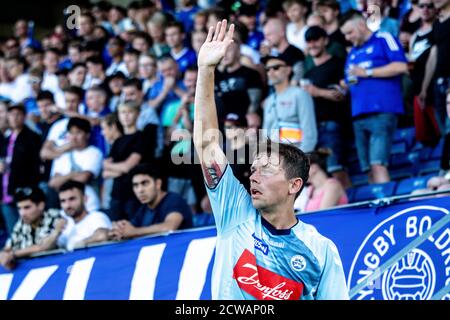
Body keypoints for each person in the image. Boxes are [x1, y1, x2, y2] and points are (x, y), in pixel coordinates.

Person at [193, 19, 348, 300]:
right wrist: (205, 70)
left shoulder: (320, 249)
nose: (253, 176)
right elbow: (206, 144)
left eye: (265, 170)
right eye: (253, 169)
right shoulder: (235, 213)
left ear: (294, 185)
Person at [340, 10, 408, 184]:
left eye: (350, 32)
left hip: (382, 111)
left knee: (378, 164)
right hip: (358, 114)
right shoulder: (353, 52)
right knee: (368, 169)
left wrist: (367, 72)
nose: (347, 37)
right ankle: (378, 204)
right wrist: (344, 86)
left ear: (361, 25)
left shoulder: (384, 38)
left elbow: (401, 66)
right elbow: (353, 79)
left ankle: (386, 208)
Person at [108, 164, 193, 240]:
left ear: (158, 184)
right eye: (136, 185)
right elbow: (130, 228)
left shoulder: (173, 199)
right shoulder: (143, 209)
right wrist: (118, 230)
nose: (140, 190)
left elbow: (169, 227)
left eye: (144, 183)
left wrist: (133, 231)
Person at [262, 54, 318, 153]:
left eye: (276, 67)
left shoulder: (300, 94)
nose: (270, 72)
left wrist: (303, 157)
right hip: (275, 158)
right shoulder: (269, 101)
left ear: (288, 70)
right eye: (267, 69)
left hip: (296, 155)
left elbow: (309, 131)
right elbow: (265, 134)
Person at [0, 186, 65, 270]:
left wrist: (14, 254)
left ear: (41, 205)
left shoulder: (54, 216)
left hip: (55, 268)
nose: (22, 213)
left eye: (27, 207)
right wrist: (4, 255)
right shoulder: (21, 223)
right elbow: (8, 247)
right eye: (19, 208)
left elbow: (44, 246)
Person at [0, 104, 42, 235]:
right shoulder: (5, 140)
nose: (14, 118)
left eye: (18, 114)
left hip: (24, 192)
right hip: (6, 193)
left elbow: (35, 166)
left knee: (29, 230)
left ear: (24, 117)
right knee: (14, 233)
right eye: (11, 114)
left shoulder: (32, 138)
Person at [57, 180, 111, 251]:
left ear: (85, 198)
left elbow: (102, 235)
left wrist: (79, 245)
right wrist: (56, 232)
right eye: (63, 201)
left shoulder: (96, 217)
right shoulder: (66, 225)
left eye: (72, 199)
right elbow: (47, 248)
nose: (67, 205)